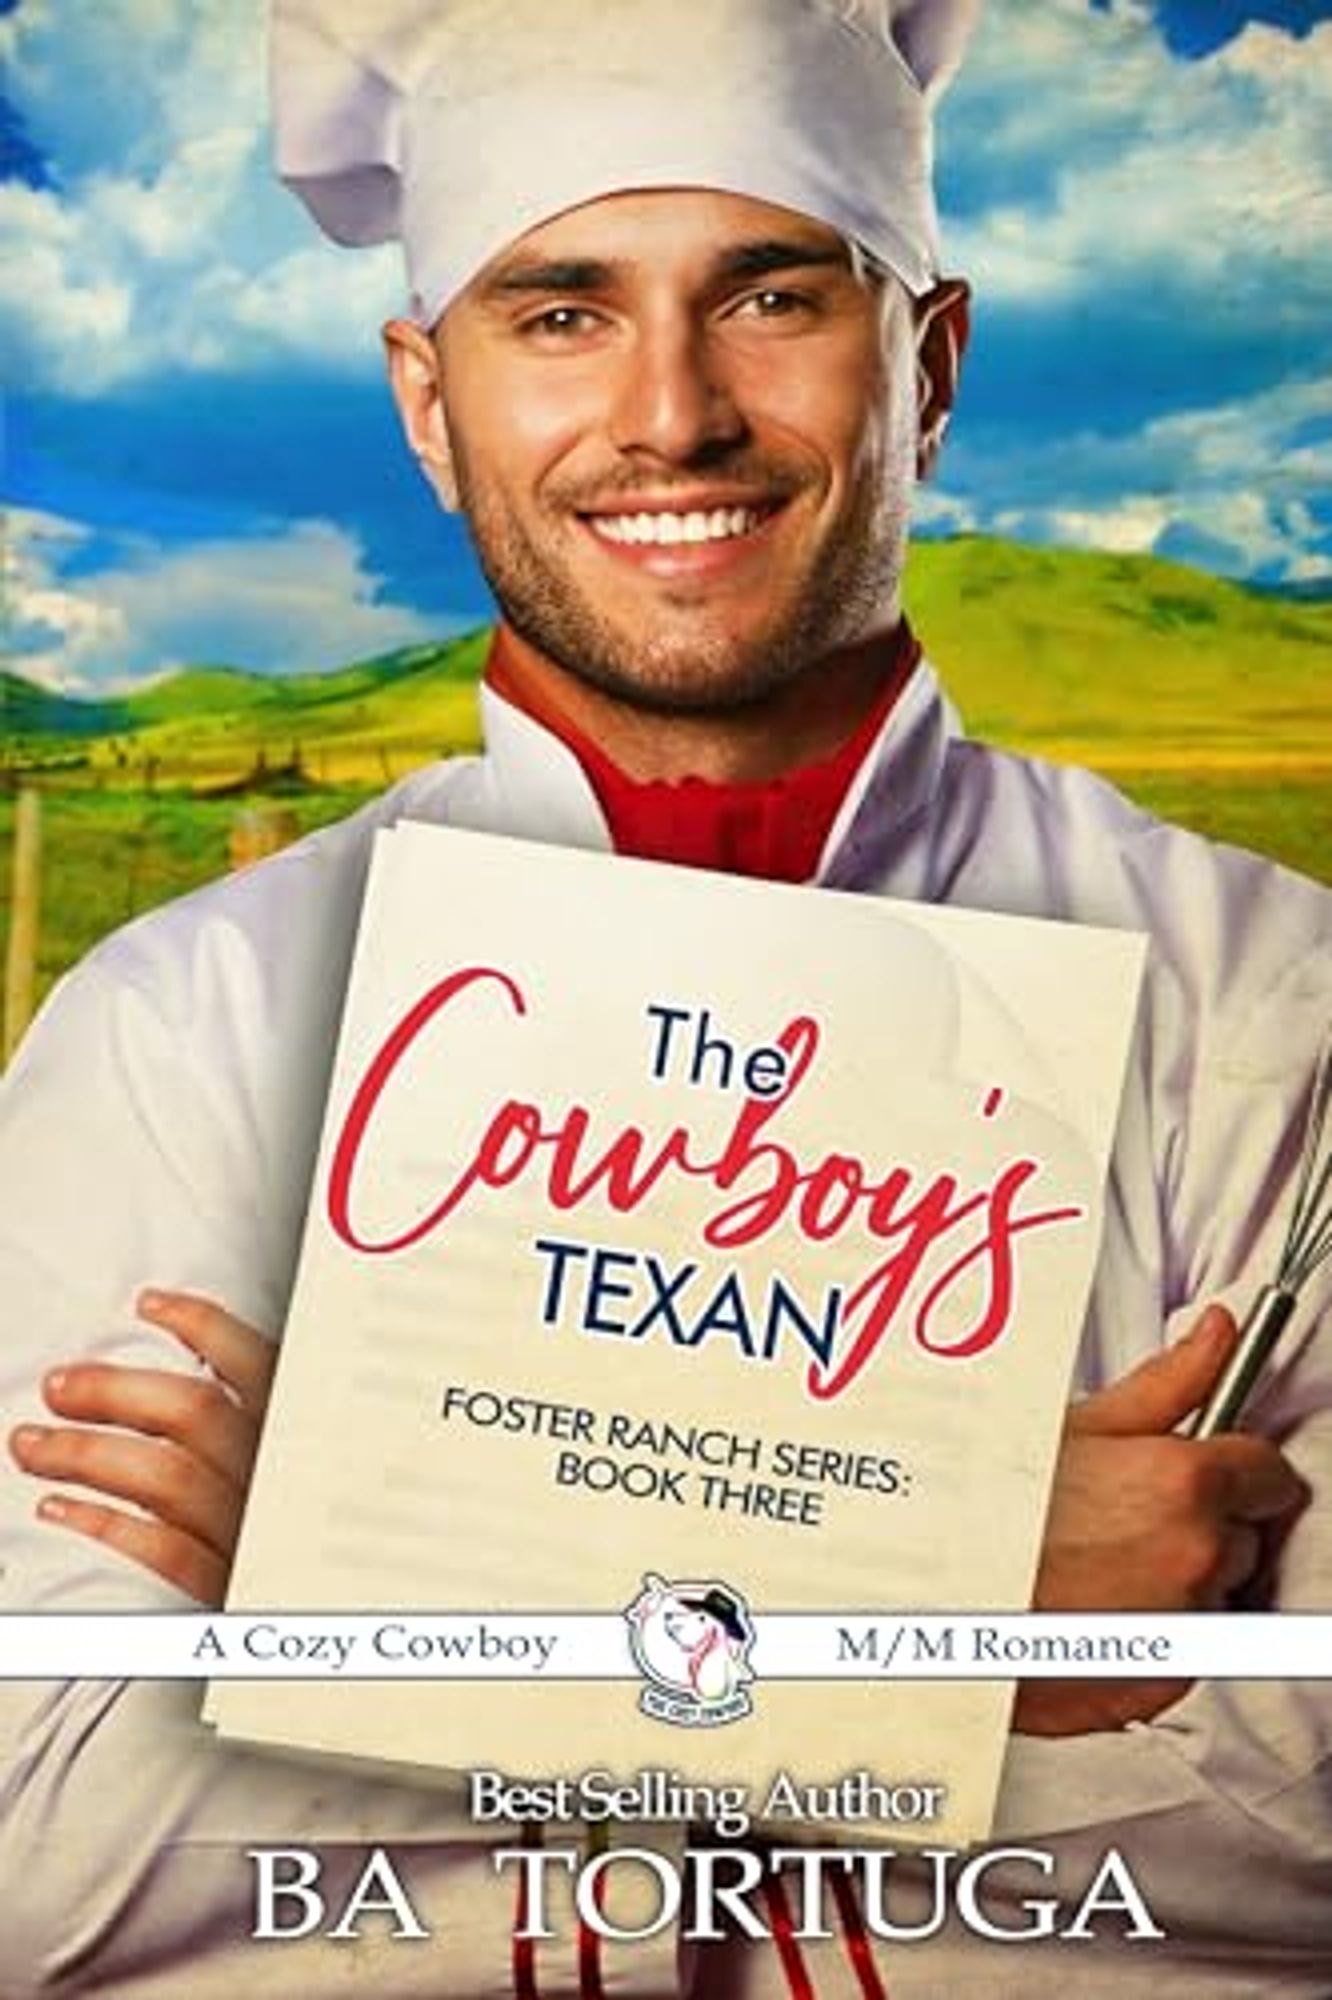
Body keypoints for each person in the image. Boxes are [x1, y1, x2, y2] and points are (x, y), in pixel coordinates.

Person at [2, 0, 1330, 1993]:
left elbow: (1304, 1818)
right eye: (558, 314)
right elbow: (52, 1843)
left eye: (773, 295)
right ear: (429, 410)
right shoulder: (180, 1027)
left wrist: (361, 1589)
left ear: (931, 364)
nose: (673, 415)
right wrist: (927, 1585)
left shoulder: (1268, 1005)